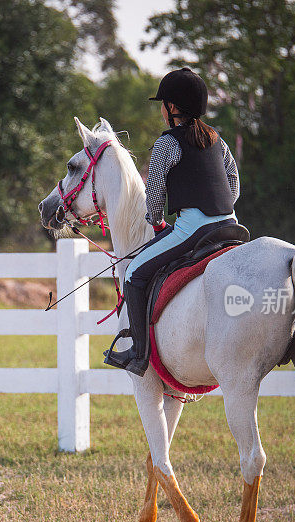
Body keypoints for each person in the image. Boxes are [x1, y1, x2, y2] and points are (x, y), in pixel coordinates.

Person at [103, 67, 241, 376]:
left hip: (194, 228)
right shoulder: (217, 140)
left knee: (134, 273)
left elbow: (154, 196)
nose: (160, 109)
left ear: (172, 107)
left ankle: (138, 354)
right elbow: (234, 183)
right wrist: (221, 207)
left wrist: (156, 223)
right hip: (232, 224)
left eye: (162, 103)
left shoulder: (166, 143)